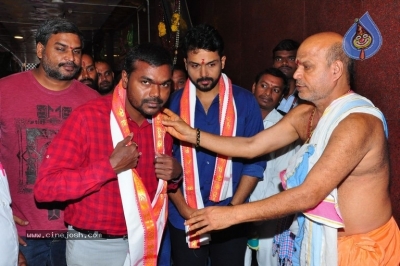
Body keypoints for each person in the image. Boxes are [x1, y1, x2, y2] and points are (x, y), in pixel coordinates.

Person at [162, 32, 400, 265]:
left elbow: (309, 194)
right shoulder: (305, 114)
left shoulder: (357, 123)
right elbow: (252, 145)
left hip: (359, 251)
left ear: (335, 70)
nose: (296, 74)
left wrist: (232, 214)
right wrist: (193, 135)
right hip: (314, 243)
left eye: (306, 67)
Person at [34, 43, 183, 266]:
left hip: (148, 242)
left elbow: (158, 187)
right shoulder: (88, 117)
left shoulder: (164, 125)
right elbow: (46, 189)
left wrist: (175, 174)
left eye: (164, 85)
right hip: (95, 246)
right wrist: (109, 167)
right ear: (124, 78)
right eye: (146, 82)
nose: (156, 94)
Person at [0, 18, 99, 266]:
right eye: (61, 48)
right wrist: (2, 216)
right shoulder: (5, 91)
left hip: (79, 233)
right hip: (23, 233)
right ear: (41, 50)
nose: (71, 57)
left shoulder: (93, 101)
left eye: (76, 51)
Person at [167, 23, 266, 266]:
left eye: (211, 64)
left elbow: (255, 163)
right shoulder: (171, 105)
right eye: (194, 65)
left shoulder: (244, 102)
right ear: (185, 63)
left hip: (231, 213)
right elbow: (163, 164)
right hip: (185, 216)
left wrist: (232, 209)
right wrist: (183, 209)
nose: (203, 74)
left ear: (223, 61)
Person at [244, 68, 298, 266]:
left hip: (267, 208)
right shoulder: (237, 119)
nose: (267, 93)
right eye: (264, 86)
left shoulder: (285, 127)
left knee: (268, 259)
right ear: (253, 87)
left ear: (282, 96)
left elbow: (279, 177)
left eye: (275, 90)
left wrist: (256, 214)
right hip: (235, 203)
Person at [272, 39, 301, 115]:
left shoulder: (306, 95)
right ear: (273, 64)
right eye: (279, 59)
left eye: (291, 58)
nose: (284, 63)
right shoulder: (267, 94)